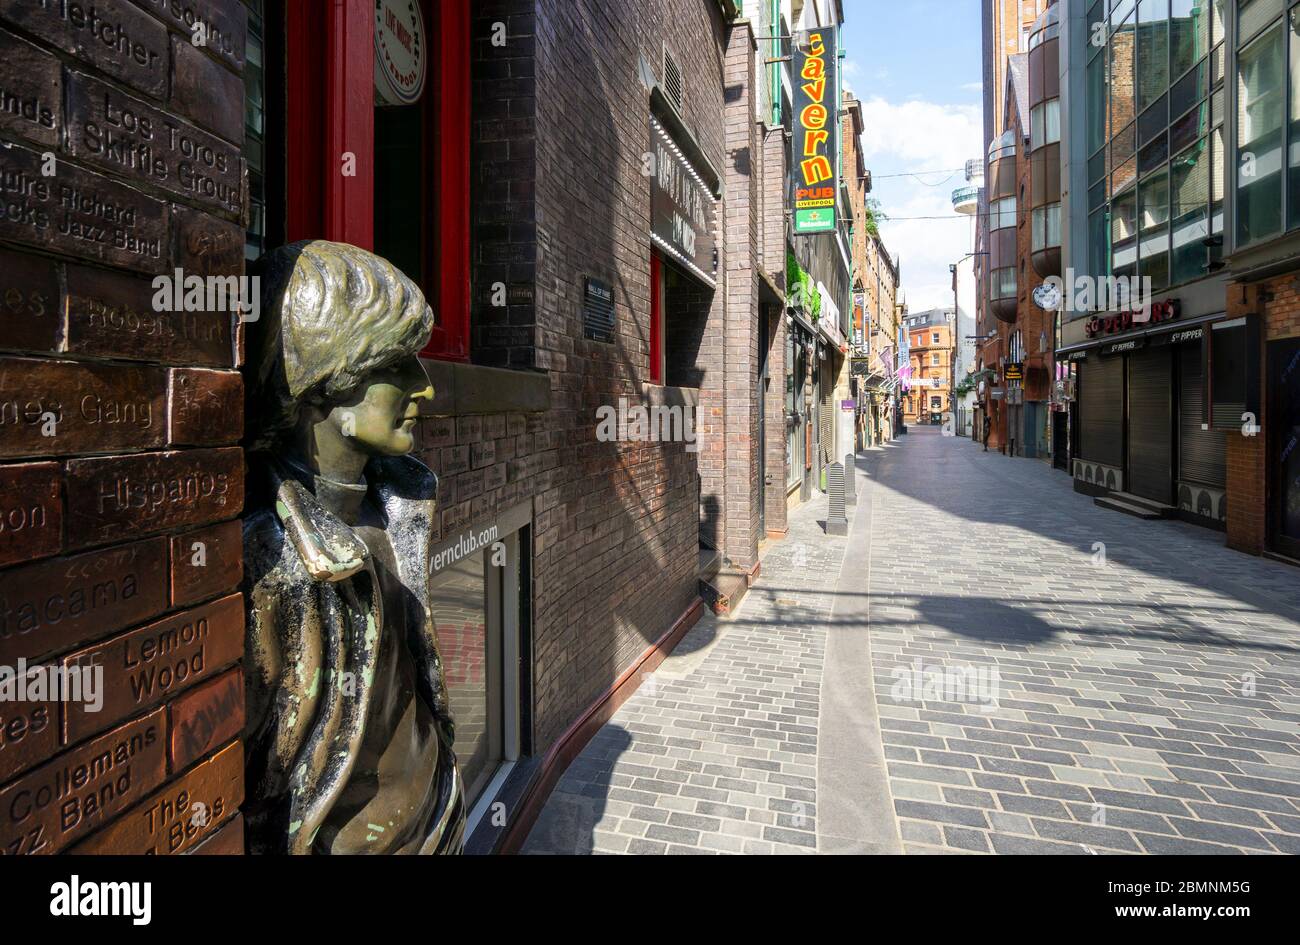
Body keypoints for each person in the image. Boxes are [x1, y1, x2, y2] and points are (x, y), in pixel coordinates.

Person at [242, 240, 464, 854]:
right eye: (396, 366)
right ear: (320, 383)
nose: (426, 389)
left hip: (437, 819)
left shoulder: (400, 501)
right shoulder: (267, 559)